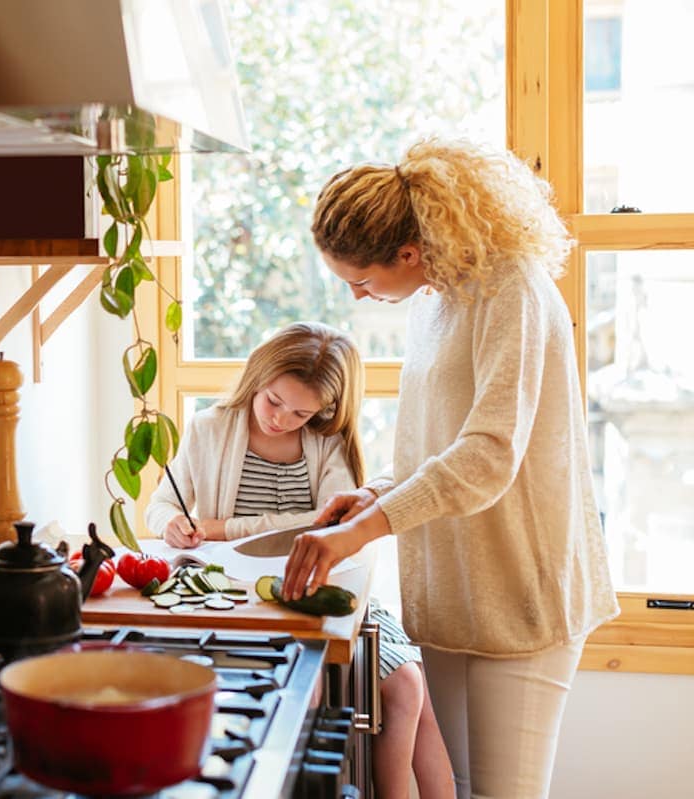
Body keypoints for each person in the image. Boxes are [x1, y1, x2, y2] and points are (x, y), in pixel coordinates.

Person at [285, 138, 620, 798]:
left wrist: (366, 529)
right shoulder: (435, 302)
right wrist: (373, 493)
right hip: (452, 594)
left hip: (523, 594)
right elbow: (429, 446)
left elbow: (489, 454)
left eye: (362, 279)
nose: (357, 295)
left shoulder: (513, 291)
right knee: (460, 788)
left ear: (407, 253)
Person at [145, 321, 454, 799]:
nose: (281, 419)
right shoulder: (208, 428)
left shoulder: (327, 441)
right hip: (245, 601)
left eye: (300, 413)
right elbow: (162, 505)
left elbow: (326, 523)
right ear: (257, 378)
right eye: (273, 402)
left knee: (409, 689)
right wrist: (172, 523)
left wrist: (223, 528)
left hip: (327, 589)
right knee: (301, 694)